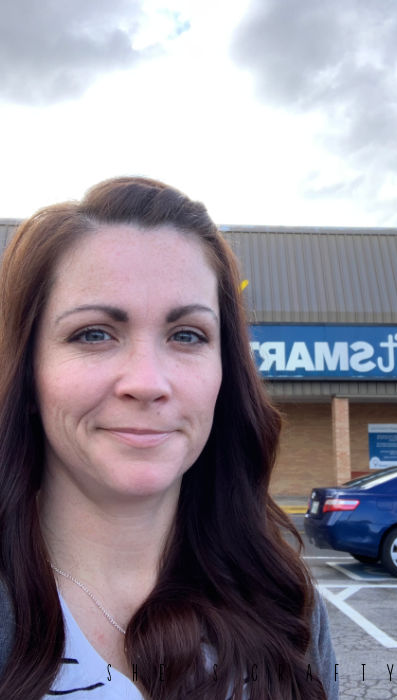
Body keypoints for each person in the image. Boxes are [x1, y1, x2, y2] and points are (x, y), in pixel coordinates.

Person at [0, 177, 338, 699]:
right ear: (28, 367)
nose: (148, 383)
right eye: (94, 333)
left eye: (187, 336)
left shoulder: (284, 602)